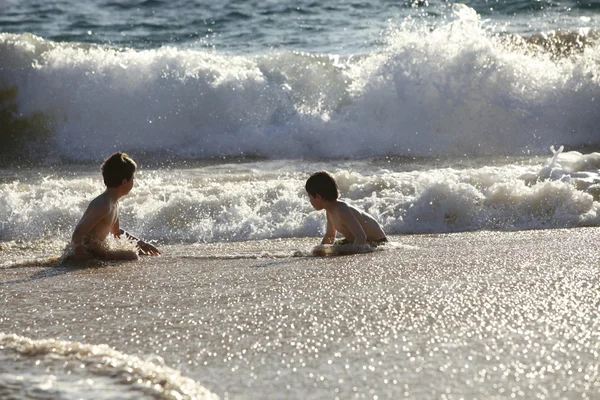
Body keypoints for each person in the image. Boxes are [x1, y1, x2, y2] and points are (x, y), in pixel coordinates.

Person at [70, 152, 160, 260]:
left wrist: (141, 243)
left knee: (137, 252)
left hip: (97, 252)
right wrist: (81, 257)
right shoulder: (104, 205)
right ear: (124, 182)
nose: (134, 182)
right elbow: (78, 234)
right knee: (131, 255)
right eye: (133, 179)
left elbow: (116, 232)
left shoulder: (114, 203)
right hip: (89, 253)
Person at [305, 171, 387, 246]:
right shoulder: (329, 211)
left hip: (378, 241)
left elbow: (361, 236)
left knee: (340, 249)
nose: (310, 201)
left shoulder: (342, 210)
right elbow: (330, 235)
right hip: (359, 240)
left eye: (310, 197)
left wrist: (354, 255)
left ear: (318, 197)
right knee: (336, 246)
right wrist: (320, 251)